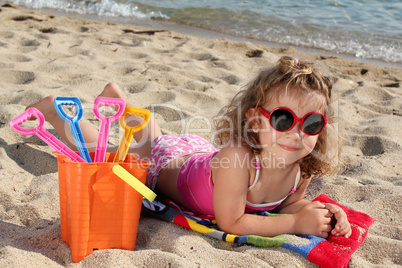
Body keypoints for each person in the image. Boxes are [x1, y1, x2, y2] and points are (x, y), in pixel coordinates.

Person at [27, 56, 351, 239]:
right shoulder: (239, 159)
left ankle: (126, 106)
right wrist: (296, 224)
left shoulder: (301, 167)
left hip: (196, 154)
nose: (296, 133)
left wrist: (321, 213)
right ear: (254, 120)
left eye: (311, 124)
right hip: (166, 167)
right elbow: (233, 222)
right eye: (283, 119)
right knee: (109, 157)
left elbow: (285, 205)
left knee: (153, 140)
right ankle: (58, 111)